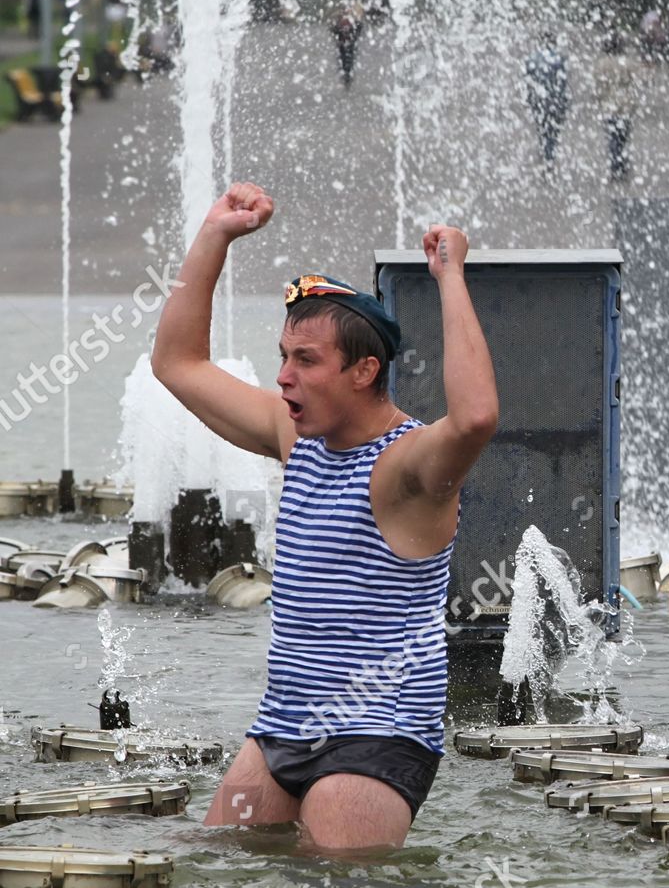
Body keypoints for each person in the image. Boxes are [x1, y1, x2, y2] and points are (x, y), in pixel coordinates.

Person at [151, 182, 498, 850]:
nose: (283, 377)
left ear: (365, 369)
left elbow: (478, 415)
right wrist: (215, 234)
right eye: (284, 356)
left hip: (377, 735)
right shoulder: (296, 438)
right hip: (281, 729)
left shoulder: (406, 470)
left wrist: (451, 275)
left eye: (305, 361)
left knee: (328, 874)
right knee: (211, 860)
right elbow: (176, 362)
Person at [593, 33, 639, 181]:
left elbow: (599, 85)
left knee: (612, 136)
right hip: (626, 103)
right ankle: (622, 165)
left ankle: (615, 166)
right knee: (623, 136)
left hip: (609, 104)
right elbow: (635, 83)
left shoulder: (602, 64)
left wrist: (599, 99)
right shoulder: (628, 63)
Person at [524, 32, 570, 164]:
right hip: (556, 100)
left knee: (542, 128)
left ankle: (545, 152)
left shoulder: (532, 59)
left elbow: (528, 81)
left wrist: (528, 99)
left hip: (538, 100)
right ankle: (550, 154)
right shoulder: (559, 59)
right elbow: (563, 82)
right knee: (553, 129)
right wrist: (565, 101)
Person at [329, 1, 366, 88]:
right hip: (342, 45)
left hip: (350, 45)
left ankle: (347, 79)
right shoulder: (339, 20)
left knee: (349, 61)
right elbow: (334, 31)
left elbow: (358, 29)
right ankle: (345, 78)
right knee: (342, 60)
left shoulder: (352, 21)